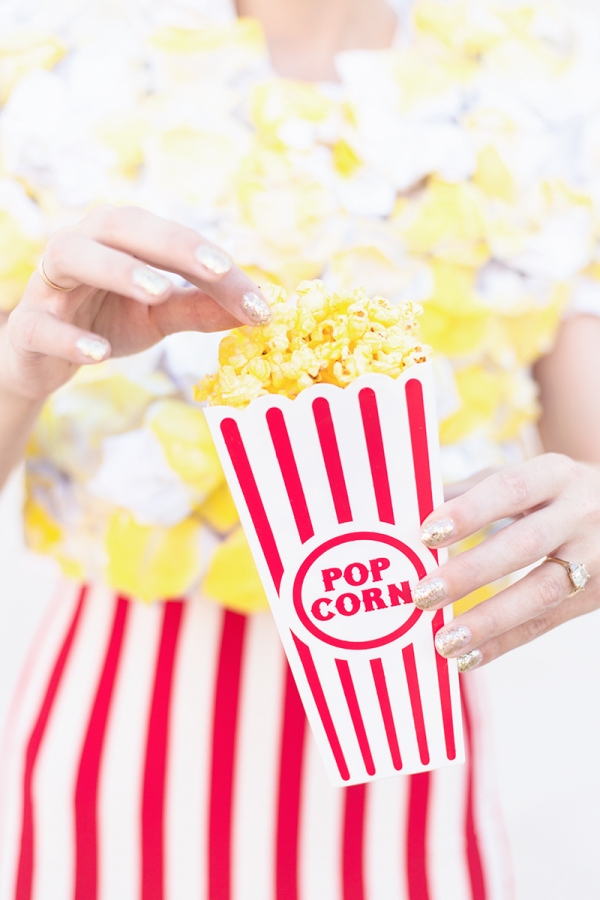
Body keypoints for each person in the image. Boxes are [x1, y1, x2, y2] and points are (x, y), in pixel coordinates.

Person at [1, 0, 600, 896]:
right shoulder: (47, 79)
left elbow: (587, 462)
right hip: (119, 740)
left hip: (412, 752)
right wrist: (18, 368)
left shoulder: (535, 92)